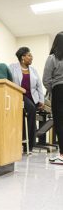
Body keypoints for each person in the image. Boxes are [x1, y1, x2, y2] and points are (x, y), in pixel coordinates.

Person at [9, 47, 44, 152]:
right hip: (18, 96)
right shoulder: (12, 67)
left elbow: (39, 86)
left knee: (31, 115)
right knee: (31, 110)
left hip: (32, 98)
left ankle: (29, 143)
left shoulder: (33, 70)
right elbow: (9, 80)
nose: (31, 57)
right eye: (29, 55)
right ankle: (26, 142)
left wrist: (41, 100)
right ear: (22, 57)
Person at [43, 32, 63, 164]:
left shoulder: (52, 58)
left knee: (60, 123)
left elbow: (46, 80)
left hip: (59, 90)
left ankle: (62, 155)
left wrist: (52, 91)